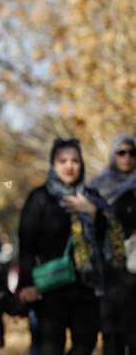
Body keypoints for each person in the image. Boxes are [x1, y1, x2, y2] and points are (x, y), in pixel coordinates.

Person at [18, 138, 125, 355]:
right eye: (63, 160)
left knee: (85, 345)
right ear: (53, 165)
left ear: (82, 164)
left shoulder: (93, 197)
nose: (70, 165)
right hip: (50, 287)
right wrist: (27, 283)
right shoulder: (40, 198)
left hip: (87, 287)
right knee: (50, 348)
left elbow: (113, 235)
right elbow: (26, 244)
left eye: (75, 160)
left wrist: (93, 212)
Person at [89, 133, 136, 355]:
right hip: (110, 274)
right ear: (113, 155)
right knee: (113, 341)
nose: (127, 157)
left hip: (135, 276)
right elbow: (90, 232)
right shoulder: (97, 188)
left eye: (132, 152)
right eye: (121, 152)